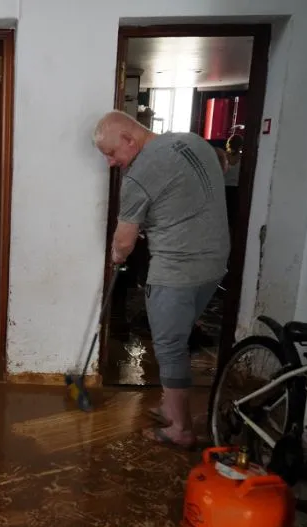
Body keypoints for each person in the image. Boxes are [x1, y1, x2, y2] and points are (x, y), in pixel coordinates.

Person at [93, 111, 229, 448]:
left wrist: (115, 257)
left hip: (178, 269)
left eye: (112, 153)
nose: (111, 162)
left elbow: (124, 242)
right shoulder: (193, 141)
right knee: (178, 334)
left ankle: (179, 429)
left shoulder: (139, 176)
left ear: (129, 139)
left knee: (169, 346)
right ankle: (170, 405)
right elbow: (204, 182)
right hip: (214, 265)